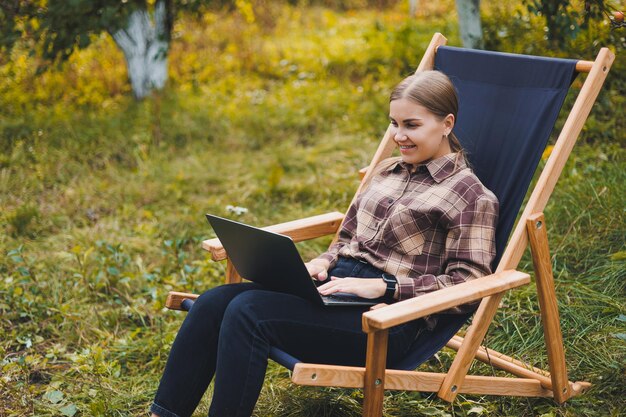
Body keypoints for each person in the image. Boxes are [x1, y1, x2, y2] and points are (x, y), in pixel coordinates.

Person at [150, 70, 499, 417]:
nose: (398, 136)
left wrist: (384, 287)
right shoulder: (388, 171)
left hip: (388, 321)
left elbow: (469, 285)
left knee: (248, 313)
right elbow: (347, 237)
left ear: (447, 124)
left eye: (411, 125)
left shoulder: (470, 195)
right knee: (213, 303)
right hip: (336, 289)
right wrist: (323, 261)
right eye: (393, 124)